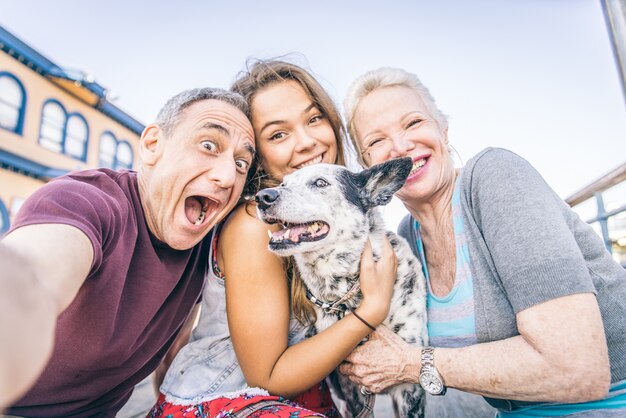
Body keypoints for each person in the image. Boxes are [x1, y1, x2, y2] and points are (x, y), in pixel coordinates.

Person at [339, 66, 626, 417]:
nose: (400, 147)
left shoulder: (495, 178)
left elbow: (577, 369)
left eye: (413, 123)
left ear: (442, 128)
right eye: (376, 141)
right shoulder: (407, 237)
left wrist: (411, 364)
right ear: (369, 167)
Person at [149, 60, 397, 417]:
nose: (307, 142)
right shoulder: (255, 225)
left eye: (314, 119)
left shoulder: (327, 223)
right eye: (278, 134)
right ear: (258, 156)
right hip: (227, 399)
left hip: (298, 397)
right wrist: (371, 309)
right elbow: (268, 376)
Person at [0, 87, 256, 417]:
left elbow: (173, 355)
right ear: (152, 146)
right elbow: (30, 281)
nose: (225, 176)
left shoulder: (206, 246)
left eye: (240, 163)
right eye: (208, 145)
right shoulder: (85, 202)